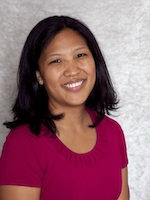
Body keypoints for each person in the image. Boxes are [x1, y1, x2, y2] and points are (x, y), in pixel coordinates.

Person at [0, 15, 129, 200]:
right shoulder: (23, 143)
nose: (73, 71)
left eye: (80, 55)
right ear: (39, 75)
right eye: (56, 61)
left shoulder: (113, 132)